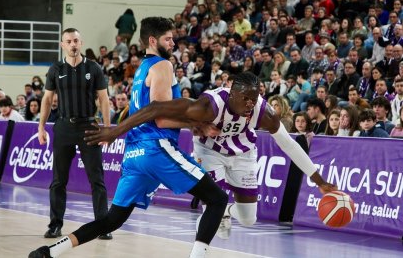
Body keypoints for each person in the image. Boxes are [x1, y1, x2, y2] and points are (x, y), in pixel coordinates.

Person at [29, 17, 229, 258]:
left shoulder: (142, 68)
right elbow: (161, 118)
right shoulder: (162, 66)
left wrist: (194, 125)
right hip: (156, 147)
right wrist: (198, 124)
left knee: (111, 220)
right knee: (217, 199)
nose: (174, 42)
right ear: (153, 41)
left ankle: (49, 252)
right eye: (169, 38)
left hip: (134, 152)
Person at [87, 72, 335, 241]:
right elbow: (155, 109)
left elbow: (289, 145)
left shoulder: (263, 111)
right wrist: (116, 131)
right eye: (245, 98)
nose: (251, 103)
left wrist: (319, 180)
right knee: (212, 208)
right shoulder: (209, 104)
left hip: (243, 153)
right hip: (210, 151)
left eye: (254, 97)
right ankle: (209, 231)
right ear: (232, 92)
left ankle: (227, 211)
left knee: (249, 219)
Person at [36, 28, 112, 241]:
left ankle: (103, 226)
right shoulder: (55, 69)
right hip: (63, 127)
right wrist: (41, 126)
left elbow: (104, 99)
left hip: (89, 127)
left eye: (76, 40)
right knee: (58, 180)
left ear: (81, 42)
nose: (73, 44)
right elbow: (47, 99)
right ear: (62, 45)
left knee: (97, 179)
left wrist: (107, 127)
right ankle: (55, 225)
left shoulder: (93, 67)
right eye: (68, 41)